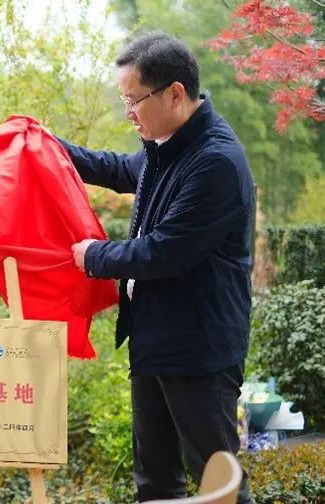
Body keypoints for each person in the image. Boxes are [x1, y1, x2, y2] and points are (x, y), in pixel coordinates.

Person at [58, 33, 256, 503]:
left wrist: (94, 255)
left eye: (134, 101)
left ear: (174, 93)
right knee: (156, 482)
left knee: (218, 483)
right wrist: (46, 146)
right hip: (155, 340)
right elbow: (118, 169)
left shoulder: (215, 161)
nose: (128, 113)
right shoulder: (167, 145)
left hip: (199, 349)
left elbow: (165, 252)